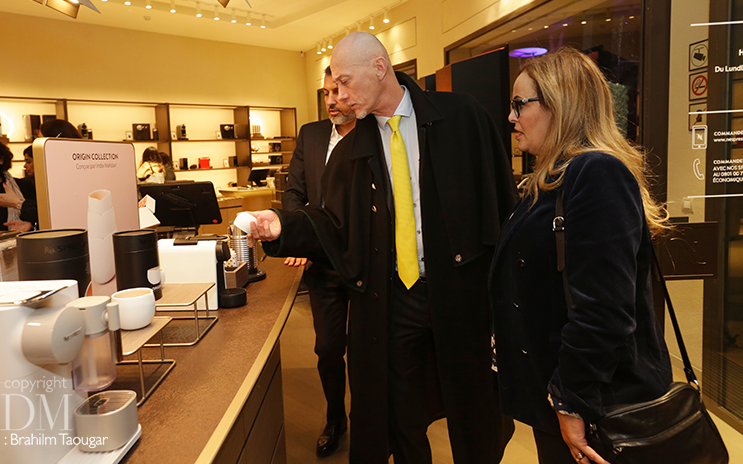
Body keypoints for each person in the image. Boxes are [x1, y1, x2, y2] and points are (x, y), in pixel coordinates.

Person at [247, 32, 517, 464]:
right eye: (334, 86)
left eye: (345, 82)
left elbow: (500, 202)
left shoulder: (462, 116)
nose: (339, 96)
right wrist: (285, 226)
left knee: (473, 408)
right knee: (400, 412)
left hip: (459, 294)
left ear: (379, 67)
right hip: (394, 299)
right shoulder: (352, 149)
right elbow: (333, 224)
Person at [488, 47, 672, 464]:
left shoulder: (596, 173)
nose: (512, 117)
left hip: (596, 401)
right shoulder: (551, 179)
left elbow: (604, 309)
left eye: (520, 104)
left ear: (560, 105)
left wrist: (571, 400)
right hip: (561, 392)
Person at [282, 66, 356, 457]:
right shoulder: (310, 134)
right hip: (322, 265)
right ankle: (335, 418)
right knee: (327, 349)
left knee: (366, 351)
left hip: (364, 263)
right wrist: (301, 235)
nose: (330, 101)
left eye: (337, 92)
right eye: (326, 93)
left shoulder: (373, 132)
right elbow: (294, 193)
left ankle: (370, 419)